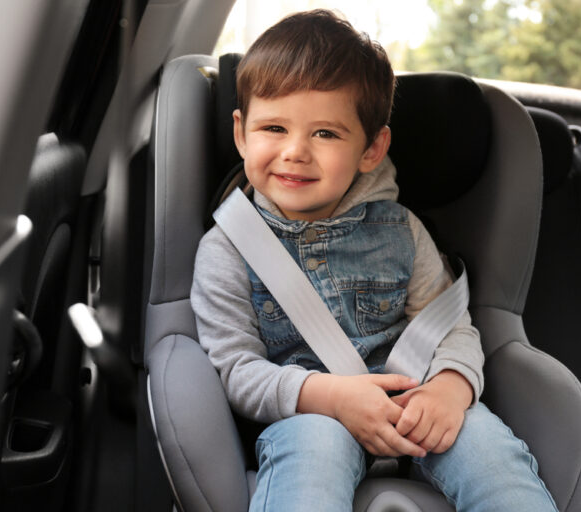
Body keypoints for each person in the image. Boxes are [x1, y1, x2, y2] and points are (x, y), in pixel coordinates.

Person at [191, 9, 557, 512]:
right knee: (315, 447)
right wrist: (331, 398)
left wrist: (450, 387)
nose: (295, 151)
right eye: (273, 127)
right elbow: (236, 369)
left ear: (371, 148)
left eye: (326, 134)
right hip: (308, 418)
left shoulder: (402, 232)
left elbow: (450, 326)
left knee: (488, 448)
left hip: (414, 405)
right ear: (241, 133)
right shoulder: (227, 249)